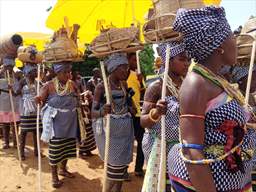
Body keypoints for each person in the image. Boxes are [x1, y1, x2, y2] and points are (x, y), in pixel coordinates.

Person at [168, 6, 256, 191]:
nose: (236, 42)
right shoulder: (196, 84)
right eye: (231, 36)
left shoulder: (216, 79)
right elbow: (191, 152)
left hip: (231, 178)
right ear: (219, 46)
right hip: (209, 184)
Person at [141, 41, 189, 192]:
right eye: (182, 59)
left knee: (179, 184)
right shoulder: (156, 87)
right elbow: (143, 121)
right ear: (169, 60)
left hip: (181, 147)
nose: (186, 63)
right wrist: (156, 112)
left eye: (187, 59)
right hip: (159, 146)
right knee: (163, 186)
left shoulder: (187, 85)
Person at [92, 53, 135, 192]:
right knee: (114, 169)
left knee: (121, 168)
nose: (126, 71)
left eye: (127, 68)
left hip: (125, 133)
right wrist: (102, 111)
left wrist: (131, 107)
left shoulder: (124, 84)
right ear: (113, 69)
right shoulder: (101, 87)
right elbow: (92, 113)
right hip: (109, 134)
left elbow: (130, 105)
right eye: (123, 68)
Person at [37, 62, 78, 188]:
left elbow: (77, 98)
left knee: (67, 147)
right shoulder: (48, 86)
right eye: (65, 72)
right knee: (55, 149)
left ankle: (63, 169)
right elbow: (41, 101)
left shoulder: (72, 84)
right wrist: (38, 100)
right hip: (56, 124)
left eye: (69, 72)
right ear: (57, 73)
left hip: (70, 122)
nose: (68, 74)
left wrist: (82, 100)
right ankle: (54, 176)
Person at [13, 64, 43, 160]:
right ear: (28, 72)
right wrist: (11, 89)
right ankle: (21, 153)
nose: (35, 73)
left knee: (36, 131)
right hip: (25, 110)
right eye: (34, 71)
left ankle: (37, 151)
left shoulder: (38, 82)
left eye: (35, 71)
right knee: (24, 132)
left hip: (36, 109)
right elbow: (16, 93)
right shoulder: (23, 81)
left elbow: (42, 92)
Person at [126, 52, 145, 177]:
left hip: (138, 114)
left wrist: (141, 82)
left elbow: (144, 94)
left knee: (141, 142)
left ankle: (138, 168)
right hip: (126, 115)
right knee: (126, 142)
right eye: (132, 60)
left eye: (135, 60)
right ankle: (123, 170)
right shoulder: (121, 75)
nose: (134, 63)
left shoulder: (137, 75)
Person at [72, 70, 97, 158]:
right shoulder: (70, 84)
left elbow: (83, 93)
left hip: (84, 109)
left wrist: (86, 100)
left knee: (88, 129)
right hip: (77, 111)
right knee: (82, 131)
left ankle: (88, 149)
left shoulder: (78, 82)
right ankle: (82, 151)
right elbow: (74, 99)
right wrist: (82, 104)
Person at [0, 57, 20, 149]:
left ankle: (16, 142)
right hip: (4, 100)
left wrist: (13, 87)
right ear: (4, 66)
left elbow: (20, 87)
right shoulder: (0, 74)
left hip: (15, 99)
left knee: (15, 122)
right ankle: (6, 142)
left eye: (11, 66)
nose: (9, 68)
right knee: (5, 123)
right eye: (7, 66)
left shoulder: (17, 74)